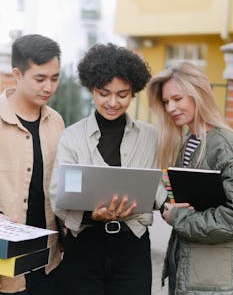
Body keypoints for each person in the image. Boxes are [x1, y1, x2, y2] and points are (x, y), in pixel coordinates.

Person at [49, 43, 167, 295]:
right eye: (104, 93)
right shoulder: (71, 137)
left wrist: (166, 204)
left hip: (132, 246)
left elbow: (156, 186)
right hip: (84, 247)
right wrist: (92, 215)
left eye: (122, 94)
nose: (113, 102)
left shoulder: (150, 136)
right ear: (92, 90)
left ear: (133, 93)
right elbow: (58, 196)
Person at [147, 61, 233, 295]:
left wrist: (179, 217)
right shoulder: (186, 142)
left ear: (198, 94)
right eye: (166, 102)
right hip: (184, 269)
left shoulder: (224, 146)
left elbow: (231, 218)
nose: (171, 107)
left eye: (178, 99)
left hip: (211, 277)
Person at [0, 34, 64, 295]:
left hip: (48, 261)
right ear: (17, 74)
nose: (48, 87)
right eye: (40, 78)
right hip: (5, 263)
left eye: (55, 78)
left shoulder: (57, 122)